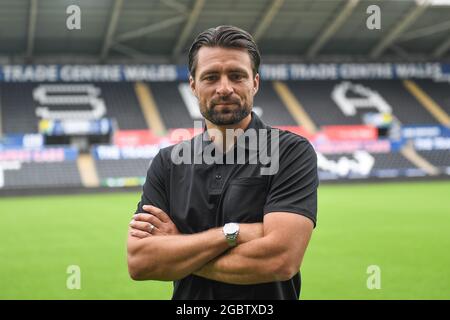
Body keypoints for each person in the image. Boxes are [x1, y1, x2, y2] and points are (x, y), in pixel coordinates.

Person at [127, 25, 319, 300]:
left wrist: (178, 248)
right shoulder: (167, 163)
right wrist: (234, 234)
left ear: (255, 82)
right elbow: (140, 262)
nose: (225, 88)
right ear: (193, 85)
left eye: (237, 76)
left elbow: (280, 260)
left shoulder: (290, 152)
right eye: (211, 77)